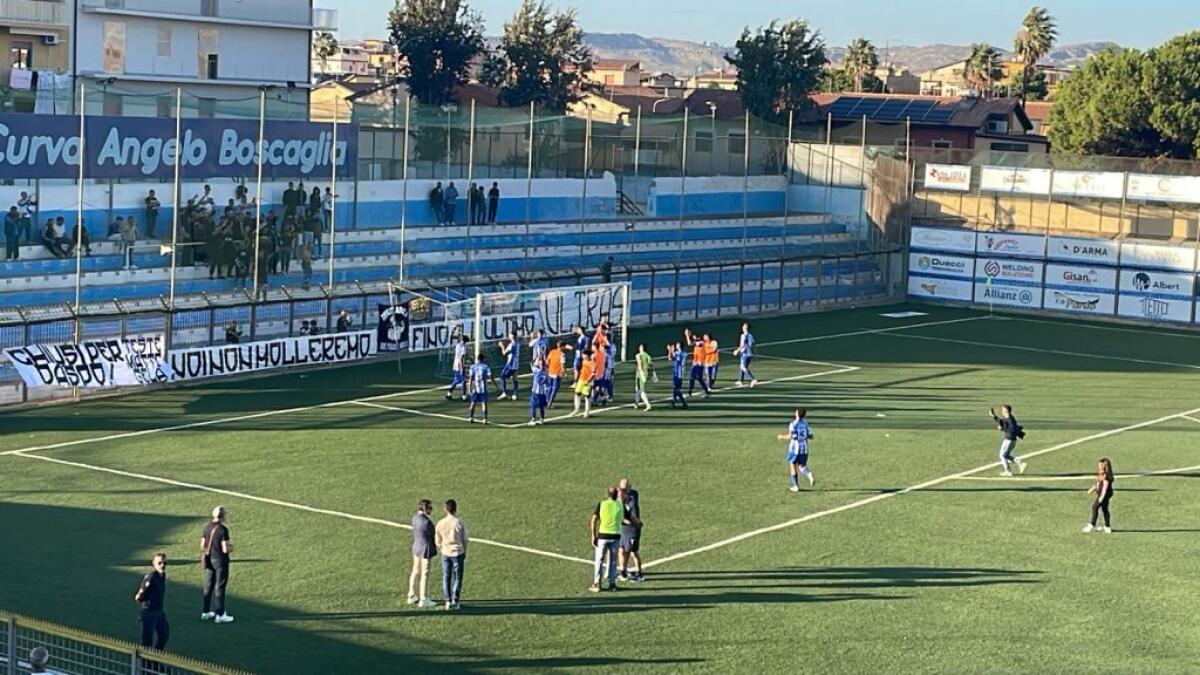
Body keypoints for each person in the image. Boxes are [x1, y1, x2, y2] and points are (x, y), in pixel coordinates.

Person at [589, 486, 631, 592]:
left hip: (603, 536)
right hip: (615, 536)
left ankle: (597, 584)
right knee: (613, 561)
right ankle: (612, 584)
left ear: (607, 494)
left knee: (599, 560)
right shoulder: (620, 505)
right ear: (616, 495)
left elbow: (594, 520)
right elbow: (627, 518)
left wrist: (593, 535)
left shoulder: (602, 504)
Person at [200, 506, 234, 623]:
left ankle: (205, 611)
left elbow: (202, 545)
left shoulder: (206, 527)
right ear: (223, 516)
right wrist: (231, 548)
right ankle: (220, 614)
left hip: (209, 560)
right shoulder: (223, 529)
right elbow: (225, 549)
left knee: (208, 586)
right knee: (219, 587)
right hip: (220, 561)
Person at [435, 499, 468, 610]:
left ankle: (448, 601)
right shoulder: (459, 522)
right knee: (457, 577)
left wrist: (442, 548)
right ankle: (455, 600)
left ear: (445, 509)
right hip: (458, 552)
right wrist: (464, 550)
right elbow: (465, 539)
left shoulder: (440, 523)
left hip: (446, 552)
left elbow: (437, 540)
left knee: (446, 576)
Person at [134, 553, 170, 650]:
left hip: (159, 611)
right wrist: (142, 600)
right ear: (154, 564)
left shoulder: (162, 575)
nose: (162, 565)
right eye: (159, 563)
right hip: (149, 612)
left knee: (164, 634)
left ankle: (156, 656)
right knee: (147, 641)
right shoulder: (151, 577)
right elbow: (140, 594)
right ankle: (144, 659)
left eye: (164, 563)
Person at [407, 499, 438, 607]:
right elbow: (433, 534)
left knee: (415, 571)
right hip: (425, 549)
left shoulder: (415, 518)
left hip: (416, 547)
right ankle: (423, 599)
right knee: (424, 574)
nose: (431, 510)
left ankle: (411, 595)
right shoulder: (427, 522)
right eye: (430, 508)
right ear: (425, 508)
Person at [778, 407, 815, 492]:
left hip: (795, 449)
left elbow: (791, 436)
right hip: (804, 448)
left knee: (792, 464)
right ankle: (809, 474)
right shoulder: (806, 424)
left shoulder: (793, 424)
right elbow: (811, 436)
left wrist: (781, 436)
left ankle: (795, 486)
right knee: (802, 467)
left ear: (797, 414)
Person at [617, 478, 644, 582]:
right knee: (621, 550)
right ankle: (623, 571)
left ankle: (639, 574)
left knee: (633, 552)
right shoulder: (624, 496)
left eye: (624, 489)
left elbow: (633, 519)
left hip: (632, 530)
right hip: (623, 530)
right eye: (621, 488)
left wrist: (621, 520)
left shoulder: (632, 500)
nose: (621, 491)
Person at [990, 405, 1027, 477]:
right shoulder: (1008, 418)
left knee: (1002, 455)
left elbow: (1011, 430)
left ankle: (1008, 471)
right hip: (1011, 440)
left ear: (1006, 411)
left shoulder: (1010, 420)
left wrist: (1002, 428)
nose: (1001, 411)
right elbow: (1001, 422)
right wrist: (993, 416)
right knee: (1006, 455)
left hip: (1009, 440)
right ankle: (1019, 463)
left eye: (1002, 410)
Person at [1084, 458, 1115, 533]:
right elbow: (1098, 484)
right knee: (1105, 509)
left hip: (1104, 495)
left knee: (1094, 507)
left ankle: (1092, 525)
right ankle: (1107, 526)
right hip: (1102, 494)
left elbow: (1105, 488)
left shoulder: (1106, 477)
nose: (1098, 468)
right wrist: (1092, 489)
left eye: (1100, 466)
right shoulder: (1101, 475)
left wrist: (1101, 497)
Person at [467, 353, 493, 424]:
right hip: (483, 389)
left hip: (475, 388)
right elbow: (490, 376)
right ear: (483, 359)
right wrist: (492, 382)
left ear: (477, 359)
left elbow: (471, 379)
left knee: (473, 403)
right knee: (484, 403)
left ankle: (471, 417)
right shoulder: (486, 367)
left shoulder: (472, 367)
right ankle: (485, 419)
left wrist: (469, 388)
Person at [685, 330, 711, 398]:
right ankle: (690, 392)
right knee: (694, 378)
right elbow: (691, 343)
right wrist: (688, 335)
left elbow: (690, 343)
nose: (694, 338)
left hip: (700, 363)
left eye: (695, 337)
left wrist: (687, 335)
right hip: (695, 363)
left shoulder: (701, 343)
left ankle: (706, 390)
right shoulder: (698, 343)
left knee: (698, 378)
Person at [497, 332, 520, 401]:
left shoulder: (511, 345)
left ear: (512, 336)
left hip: (510, 364)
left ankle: (504, 393)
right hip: (516, 364)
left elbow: (504, 353)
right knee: (515, 378)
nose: (508, 336)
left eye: (509, 335)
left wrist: (502, 346)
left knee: (502, 376)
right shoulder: (517, 344)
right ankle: (515, 394)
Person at [445, 334, 469, 401]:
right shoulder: (463, 347)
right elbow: (461, 358)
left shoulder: (457, 345)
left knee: (456, 380)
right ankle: (464, 396)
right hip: (459, 366)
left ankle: (449, 393)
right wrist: (462, 368)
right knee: (463, 381)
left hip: (455, 365)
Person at [573, 350, 596, 418]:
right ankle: (576, 409)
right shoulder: (583, 361)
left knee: (587, 396)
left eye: (584, 355)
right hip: (581, 379)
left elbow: (593, 374)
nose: (582, 356)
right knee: (577, 393)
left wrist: (588, 381)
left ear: (588, 356)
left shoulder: (592, 363)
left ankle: (586, 412)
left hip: (587, 381)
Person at [734, 322, 758, 387]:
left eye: (744, 327)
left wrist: (737, 351)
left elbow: (743, 345)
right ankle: (740, 381)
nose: (742, 328)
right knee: (742, 366)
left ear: (745, 328)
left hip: (745, 354)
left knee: (743, 367)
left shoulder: (743, 336)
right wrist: (755, 353)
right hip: (749, 354)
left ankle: (753, 379)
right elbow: (754, 344)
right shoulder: (751, 335)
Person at [633, 343, 656, 411]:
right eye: (640, 347)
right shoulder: (639, 355)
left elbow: (650, 364)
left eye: (641, 347)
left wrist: (644, 372)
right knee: (637, 389)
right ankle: (636, 403)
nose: (640, 348)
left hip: (642, 373)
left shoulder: (643, 356)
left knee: (641, 390)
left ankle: (648, 405)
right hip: (638, 374)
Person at [528, 357, 550, 425]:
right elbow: (547, 382)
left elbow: (531, 363)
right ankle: (542, 419)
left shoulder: (536, 370)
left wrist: (536, 358)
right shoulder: (546, 371)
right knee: (541, 406)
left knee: (533, 405)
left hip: (536, 391)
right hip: (543, 392)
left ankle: (533, 419)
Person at [668, 341, 689, 409]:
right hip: (675, 372)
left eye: (677, 345)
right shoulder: (676, 352)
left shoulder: (684, 353)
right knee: (674, 388)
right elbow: (670, 358)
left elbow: (680, 361)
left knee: (677, 389)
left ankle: (683, 403)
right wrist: (670, 351)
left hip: (680, 373)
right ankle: (674, 402)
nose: (676, 346)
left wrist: (672, 351)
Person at [546, 341, 566, 407]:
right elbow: (562, 365)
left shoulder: (552, 351)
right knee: (555, 388)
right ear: (562, 346)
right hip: (557, 373)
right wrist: (564, 373)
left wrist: (548, 368)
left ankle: (547, 400)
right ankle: (550, 403)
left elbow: (547, 361)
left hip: (550, 372)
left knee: (549, 387)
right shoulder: (562, 354)